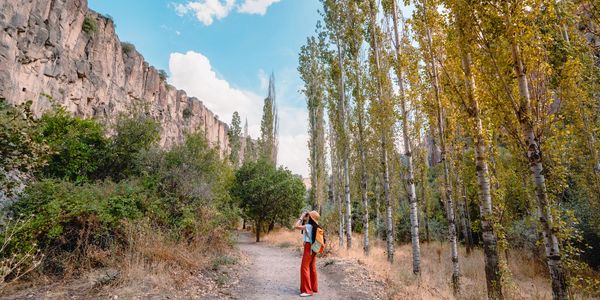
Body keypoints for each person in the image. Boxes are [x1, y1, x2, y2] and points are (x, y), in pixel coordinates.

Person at [293, 210, 320, 297]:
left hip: (308, 248)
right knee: (312, 267)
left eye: (308, 216)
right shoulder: (317, 226)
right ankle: (313, 287)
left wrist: (301, 217)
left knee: (304, 268)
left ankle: (307, 291)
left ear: (311, 218)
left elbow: (295, 226)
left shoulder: (308, 226)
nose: (307, 217)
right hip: (314, 248)